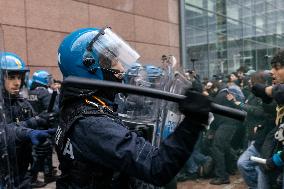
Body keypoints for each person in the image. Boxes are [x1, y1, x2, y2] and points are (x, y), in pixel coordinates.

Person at [55, 27, 211, 188]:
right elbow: (157, 168)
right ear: (90, 67)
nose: (121, 68)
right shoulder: (92, 123)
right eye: (113, 61)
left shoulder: (77, 106)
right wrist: (192, 123)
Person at [0, 52, 56, 188]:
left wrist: (40, 145)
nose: (17, 82)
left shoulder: (23, 103)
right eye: (11, 77)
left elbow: (32, 130)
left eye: (19, 77)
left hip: (22, 172)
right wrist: (33, 124)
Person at [28, 70, 59, 186]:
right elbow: (54, 110)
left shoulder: (28, 91)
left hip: (31, 126)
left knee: (34, 154)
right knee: (45, 152)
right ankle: (46, 176)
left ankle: (40, 176)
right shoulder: (44, 93)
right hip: (44, 127)